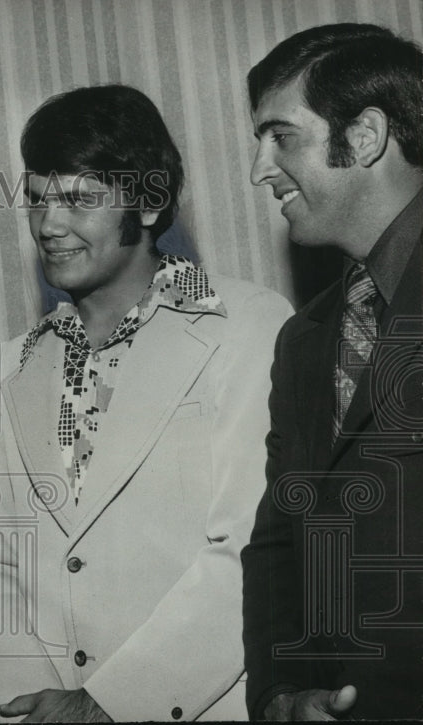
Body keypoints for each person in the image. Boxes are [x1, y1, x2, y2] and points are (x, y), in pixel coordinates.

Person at [0, 85, 294, 722]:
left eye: (80, 199)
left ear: (147, 201)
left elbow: (246, 549)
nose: (49, 225)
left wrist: (110, 705)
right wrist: (30, 710)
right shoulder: (10, 363)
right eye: (37, 199)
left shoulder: (246, 323)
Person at [241, 23, 423, 721]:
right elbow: (279, 540)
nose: (260, 168)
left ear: (367, 135)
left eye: (281, 136)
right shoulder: (305, 338)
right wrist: (282, 692)